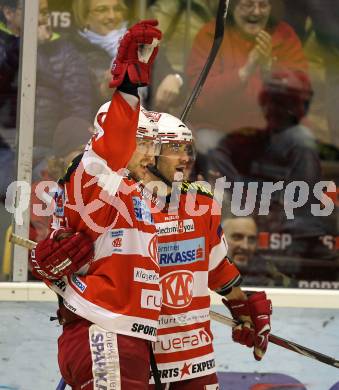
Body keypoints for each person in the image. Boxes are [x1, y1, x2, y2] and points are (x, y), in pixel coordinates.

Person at [29, 20, 164, 389]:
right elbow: (115, 137)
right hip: (104, 333)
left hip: (120, 334)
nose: (151, 148)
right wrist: (129, 81)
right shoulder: (95, 171)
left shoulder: (131, 191)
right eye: (143, 138)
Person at [142, 112, 272, 388]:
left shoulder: (201, 204)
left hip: (195, 357)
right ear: (150, 154)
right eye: (174, 148)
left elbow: (215, 268)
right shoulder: (126, 206)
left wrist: (243, 307)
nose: (185, 157)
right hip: (141, 358)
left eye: (187, 149)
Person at [208, 70, 326, 244]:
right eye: (271, 102)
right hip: (248, 222)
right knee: (210, 143)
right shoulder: (251, 139)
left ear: (299, 108)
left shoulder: (301, 141)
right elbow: (219, 152)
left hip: (291, 232)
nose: (275, 109)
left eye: (285, 104)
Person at [186, 0, 309, 154]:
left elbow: (301, 96)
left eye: (263, 5)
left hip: (272, 133)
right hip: (220, 129)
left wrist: (269, 70)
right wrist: (244, 72)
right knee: (206, 143)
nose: (256, 12)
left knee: (303, 139)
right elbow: (201, 97)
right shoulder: (212, 34)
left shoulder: (285, 36)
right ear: (232, 7)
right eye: (248, 5)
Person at [0, 0, 93, 176]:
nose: (42, 19)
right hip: (5, 148)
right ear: (9, 13)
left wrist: (69, 150)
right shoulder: (4, 45)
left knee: (48, 184)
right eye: (35, 12)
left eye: (44, 12)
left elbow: (78, 105)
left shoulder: (64, 51)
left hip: (50, 148)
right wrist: (26, 46)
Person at [70, 0, 184, 113]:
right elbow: (75, 102)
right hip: (101, 125)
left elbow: (175, 78)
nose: (112, 16)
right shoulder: (74, 50)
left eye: (117, 9)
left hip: (151, 123)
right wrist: (104, 91)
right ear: (84, 18)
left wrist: (175, 79)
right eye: (102, 10)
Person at [222, 216, 292, 287]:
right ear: (221, 240)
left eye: (251, 239)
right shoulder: (211, 274)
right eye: (237, 237)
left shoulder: (271, 277)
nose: (245, 246)